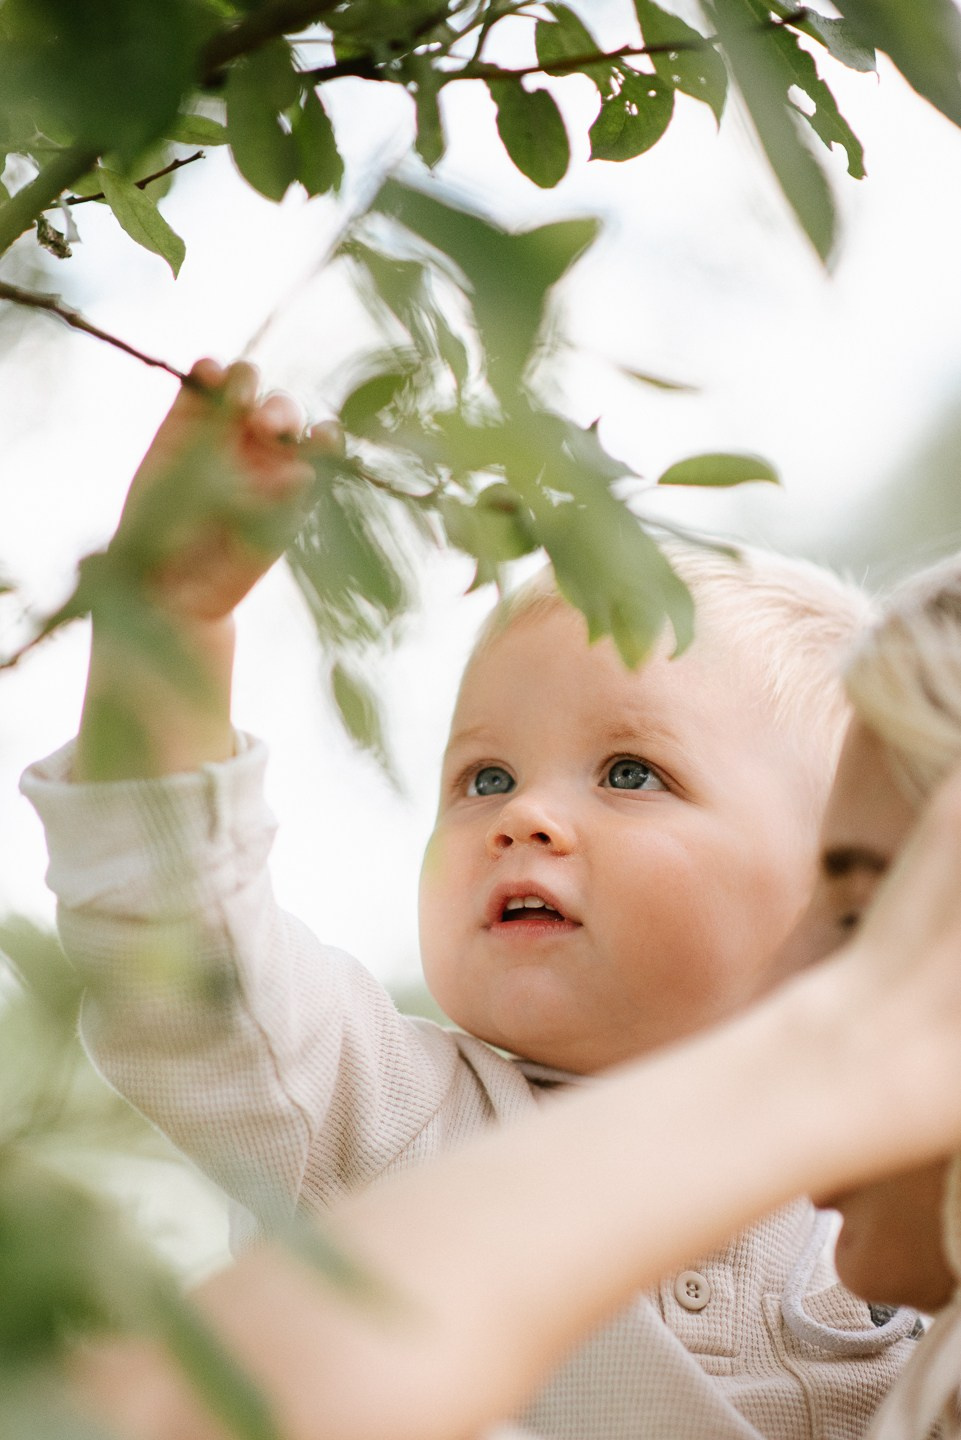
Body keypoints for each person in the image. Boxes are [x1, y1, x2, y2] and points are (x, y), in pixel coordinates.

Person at [22, 360, 913, 1440]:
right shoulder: (397, 1116)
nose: (521, 816)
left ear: (855, 886)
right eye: (482, 778)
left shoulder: (895, 1197)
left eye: (631, 773)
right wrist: (164, 621)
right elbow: (183, 959)